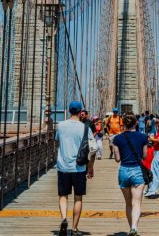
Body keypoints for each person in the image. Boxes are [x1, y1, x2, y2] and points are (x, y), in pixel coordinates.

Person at [55, 101, 95, 236]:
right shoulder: (85, 128)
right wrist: (90, 167)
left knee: (63, 196)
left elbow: (57, 142)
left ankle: (64, 219)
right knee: (78, 198)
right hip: (79, 168)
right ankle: (74, 228)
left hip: (63, 167)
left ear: (69, 110)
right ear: (80, 112)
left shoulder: (60, 126)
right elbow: (93, 149)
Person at [112, 113, 148, 236]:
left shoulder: (117, 139)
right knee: (136, 202)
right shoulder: (143, 137)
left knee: (128, 203)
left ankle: (131, 228)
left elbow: (117, 158)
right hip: (137, 170)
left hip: (123, 171)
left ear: (123, 123)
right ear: (135, 123)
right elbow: (144, 156)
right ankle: (134, 228)